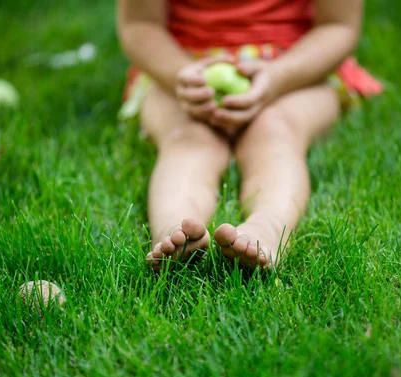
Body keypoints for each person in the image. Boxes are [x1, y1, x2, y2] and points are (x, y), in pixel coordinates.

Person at [117, 0, 382, 271]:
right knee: (188, 138)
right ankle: (175, 226)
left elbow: (338, 26)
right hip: (179, 68)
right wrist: (178, 75)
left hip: (298, 66)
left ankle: (267, 228)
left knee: (276, 131)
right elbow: (140, 25)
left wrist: (279, 76)